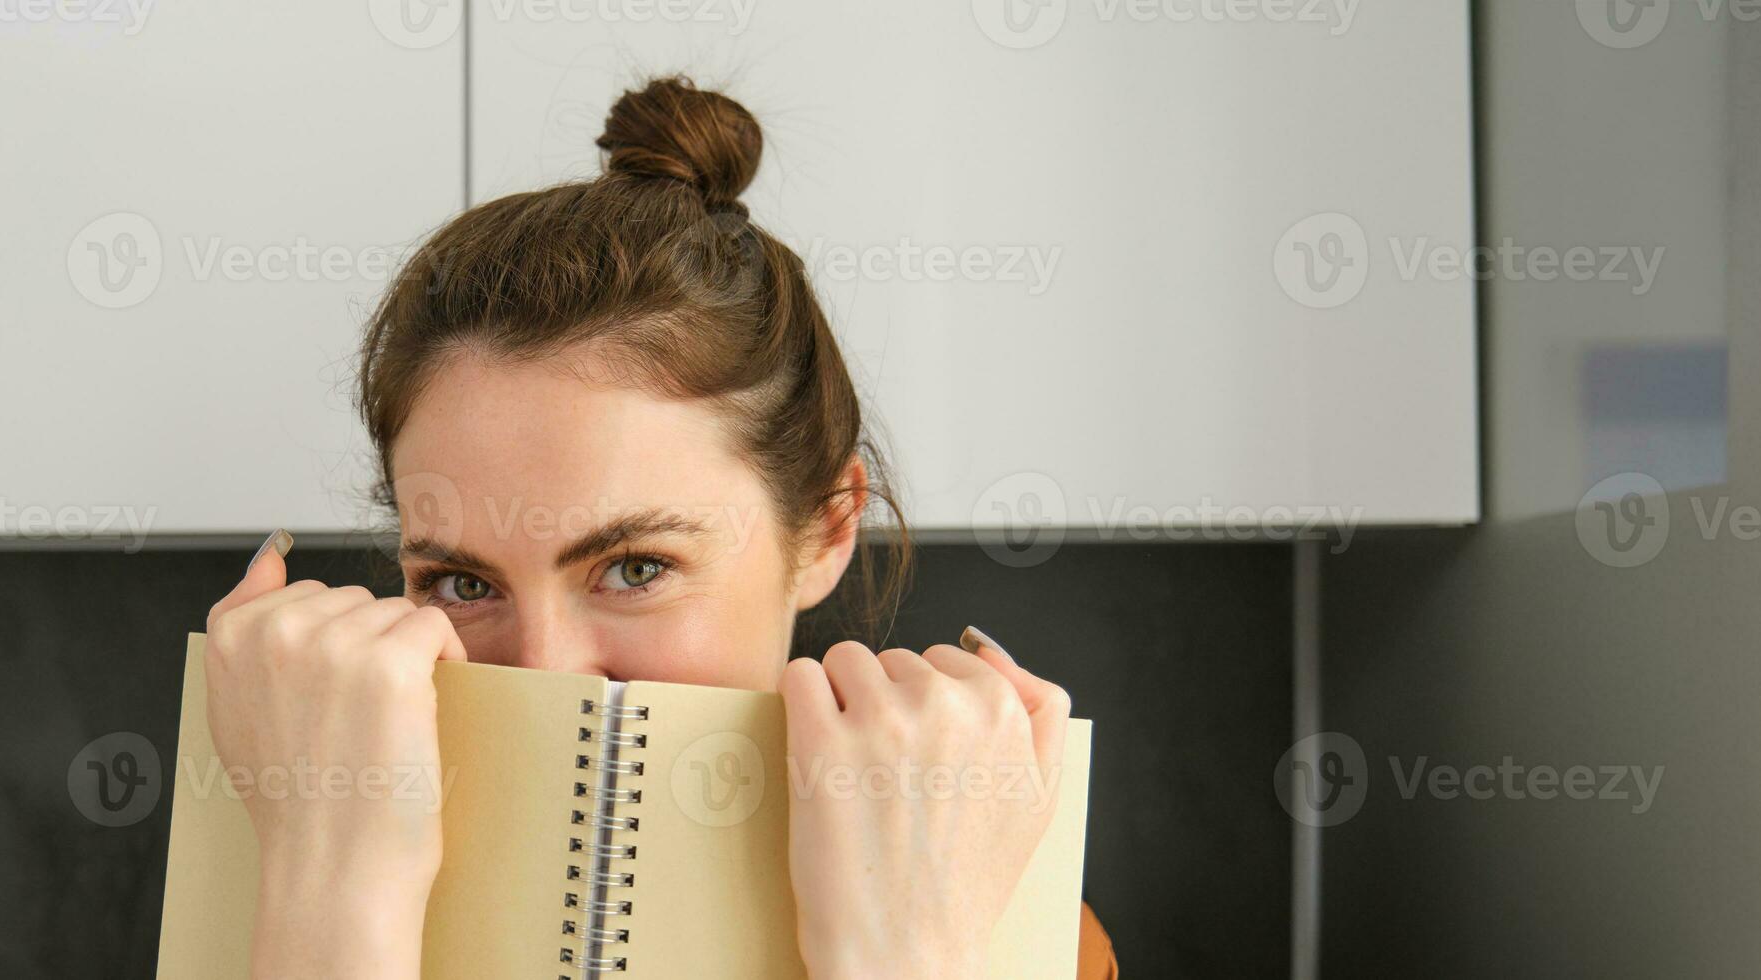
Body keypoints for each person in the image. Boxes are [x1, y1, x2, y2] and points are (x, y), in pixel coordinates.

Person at [201, 75, 1116, 979]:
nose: (546, 673)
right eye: (464, 585)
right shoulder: (264, 884)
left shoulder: (1024, 939)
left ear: (828, 529)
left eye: (636, 568)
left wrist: (911, 959)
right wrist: (330, 901)